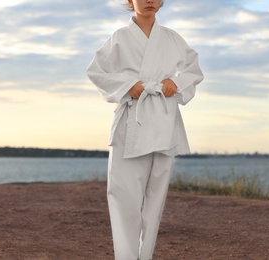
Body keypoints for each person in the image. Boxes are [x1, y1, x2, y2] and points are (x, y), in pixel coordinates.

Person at [87, 0, 203, 259]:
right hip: (132, 121)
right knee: (123, 197)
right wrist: (128, 85)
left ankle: (146, 255)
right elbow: (96, 72)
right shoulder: (120, 38)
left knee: (155, 200)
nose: (149, 0)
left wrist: (176, 81)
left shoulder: (172, 39)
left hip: (163, 118)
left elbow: (193, 70)